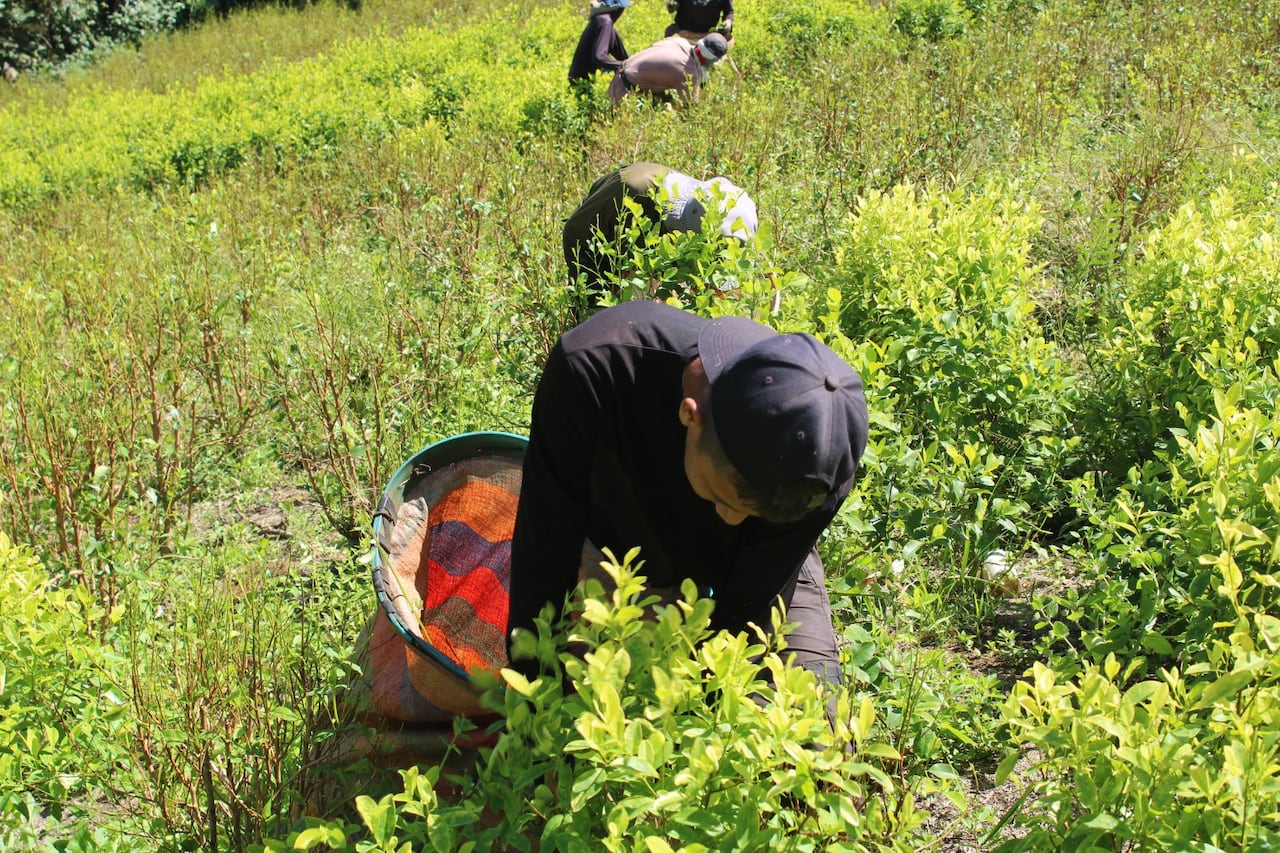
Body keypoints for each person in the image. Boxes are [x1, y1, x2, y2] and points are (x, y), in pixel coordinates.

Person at [506, 300, 869, 714]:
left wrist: (705, 697)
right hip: (619, 549)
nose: (732, 519)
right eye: (722, 499)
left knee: (811, 727)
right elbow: (546, 544)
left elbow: (748, 603)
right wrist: (533, 698)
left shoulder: (826, 459)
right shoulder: (594, 368)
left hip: (762, 560)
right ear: (689, 416)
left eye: (750, 512)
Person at [562, 161, 757, 300]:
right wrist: (594, 302)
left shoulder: (735, 215)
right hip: (609, 245)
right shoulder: (629, 190)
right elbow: (575, 234)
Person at [606, 32, 728, 107]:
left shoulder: (679, 42)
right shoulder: (688, 72)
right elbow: (691, 110)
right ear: (709, 59)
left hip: (620, 79)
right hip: (624, 95)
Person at [568, 0, 630, 89]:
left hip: (582, 80)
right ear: (616, 8)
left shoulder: (604, 22)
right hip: (583, 84)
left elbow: (622, 55)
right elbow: (599, 58)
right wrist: (623, 65)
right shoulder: (605, 22)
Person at [663, 0, 734, 41]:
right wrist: (672, 5)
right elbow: (674, 2)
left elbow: (728, 11)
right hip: (681, 31)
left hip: (706, 34)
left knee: (722, 43)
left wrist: (728, 21)